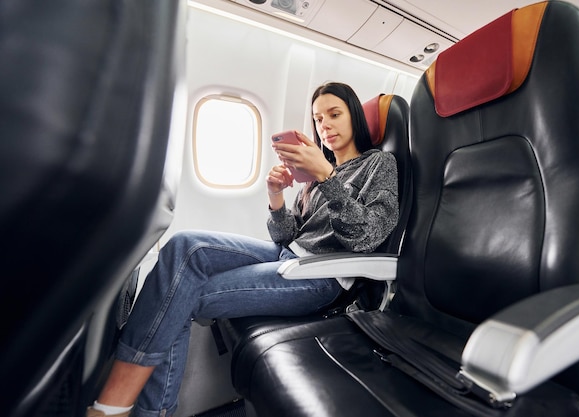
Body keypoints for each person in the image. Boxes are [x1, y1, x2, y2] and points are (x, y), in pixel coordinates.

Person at [86, 82, 399, 417]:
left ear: (354, 116)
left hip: (321, 277)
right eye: (318, 119)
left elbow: (367, 235)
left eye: (334, 114)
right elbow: (285, 236)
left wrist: (327, 176)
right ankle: (126, 406)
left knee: (181, 294)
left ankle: (125, 406)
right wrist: (275, 196)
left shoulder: (378, 164)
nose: (325, 126)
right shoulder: (314, 176)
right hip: (287, 255)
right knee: (184, 245)